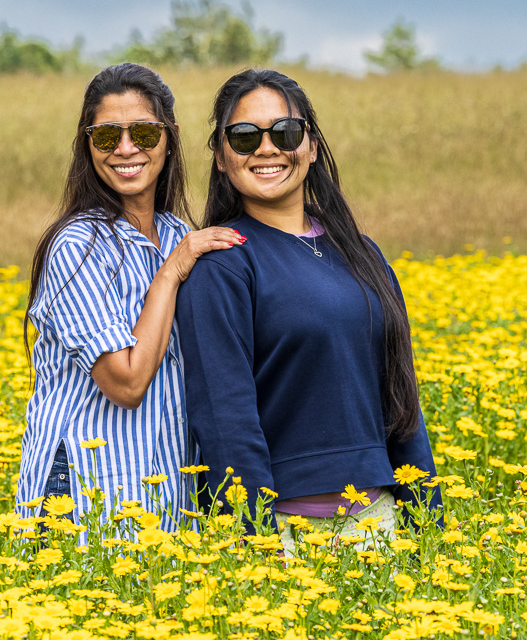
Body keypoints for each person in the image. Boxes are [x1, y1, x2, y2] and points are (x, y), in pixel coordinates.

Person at [175, 68, 441, 546]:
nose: (266, 148)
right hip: (285, 537)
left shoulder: (363, 253)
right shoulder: (223, 266)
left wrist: (431, 529)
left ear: (312, 146)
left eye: (286, 132)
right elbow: (225, 419)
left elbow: (401, 401)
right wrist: (255, 546)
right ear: (220, 156)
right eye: (243, 137)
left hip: (379, 524)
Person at [15, 63, 244, 535]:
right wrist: (172, 272)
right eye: (105, 137)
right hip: (83, 496)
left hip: (167, 497)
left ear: (169, 137)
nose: (125, 149)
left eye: (142, 131)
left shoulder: (182, 235)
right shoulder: (78, 247)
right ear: (87, 144)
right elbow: (126, 383)